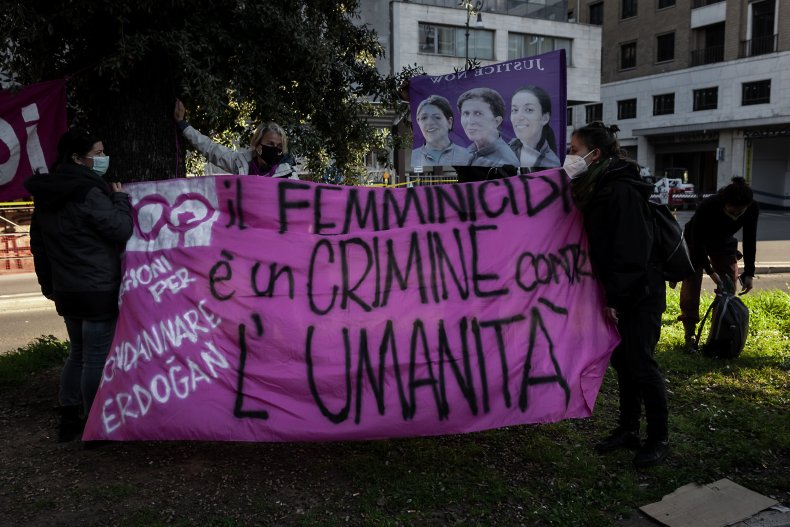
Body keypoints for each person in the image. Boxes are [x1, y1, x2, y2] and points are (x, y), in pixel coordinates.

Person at [566, 121, 669, 468]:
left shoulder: (620, 190)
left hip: (639, 293)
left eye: (574, 149)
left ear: (594, 154)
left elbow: (632, 251)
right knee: (624, 363)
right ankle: (628, 429)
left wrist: (617, 300)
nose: (569, 155)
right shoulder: (596, 186)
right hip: (623, 291)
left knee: (641, 364)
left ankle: (658, 438)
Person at [24, 128, 133, 442]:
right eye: (97, 153)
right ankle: (93, 422)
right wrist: (121, 200)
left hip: (67, 290)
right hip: (97, 289)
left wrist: (49, 285)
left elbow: (39, 245)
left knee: (78, 352)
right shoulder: (89, 192)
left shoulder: (46, 194)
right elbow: (121, 229)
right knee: (95, 357)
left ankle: (68, 415)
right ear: (76, 157)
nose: (102, 158)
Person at [679, 177, 759, 351]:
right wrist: (710, 271)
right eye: (732, 210)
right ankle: (689, 333)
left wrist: (749, 273)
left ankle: (721, 329)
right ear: (724, 202)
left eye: (740, 211)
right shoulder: (709, 205)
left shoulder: (752, 208)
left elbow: (750, 239)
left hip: (723, 241)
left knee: (728, 286)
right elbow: (697, 240)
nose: (736, 215)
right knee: (692, 282)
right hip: (695, 240)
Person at [173, 99, 298, 178]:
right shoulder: (241, 162)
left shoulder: (289, 174)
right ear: (257, 144)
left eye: (279, 146)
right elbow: (211, 149)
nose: (274, 149)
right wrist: (183, 125)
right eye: (270, 144)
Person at [456, 87, 520, 168]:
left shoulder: (505, 164)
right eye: (466, 113)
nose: (470, 121)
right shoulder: (470, 151)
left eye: (478, 113)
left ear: (497, 121)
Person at [508, 85, 560, 172]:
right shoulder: (505, 151)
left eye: (528, 110)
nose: (519, 117)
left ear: (545, 118)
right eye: (515, 110)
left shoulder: (552, 164)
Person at [411, 94, 471, 167]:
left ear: (449, 122)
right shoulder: (414, 157)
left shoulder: (468, 158)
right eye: (424, 118)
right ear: (418, 122)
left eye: (437, 117)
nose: (429, 123)